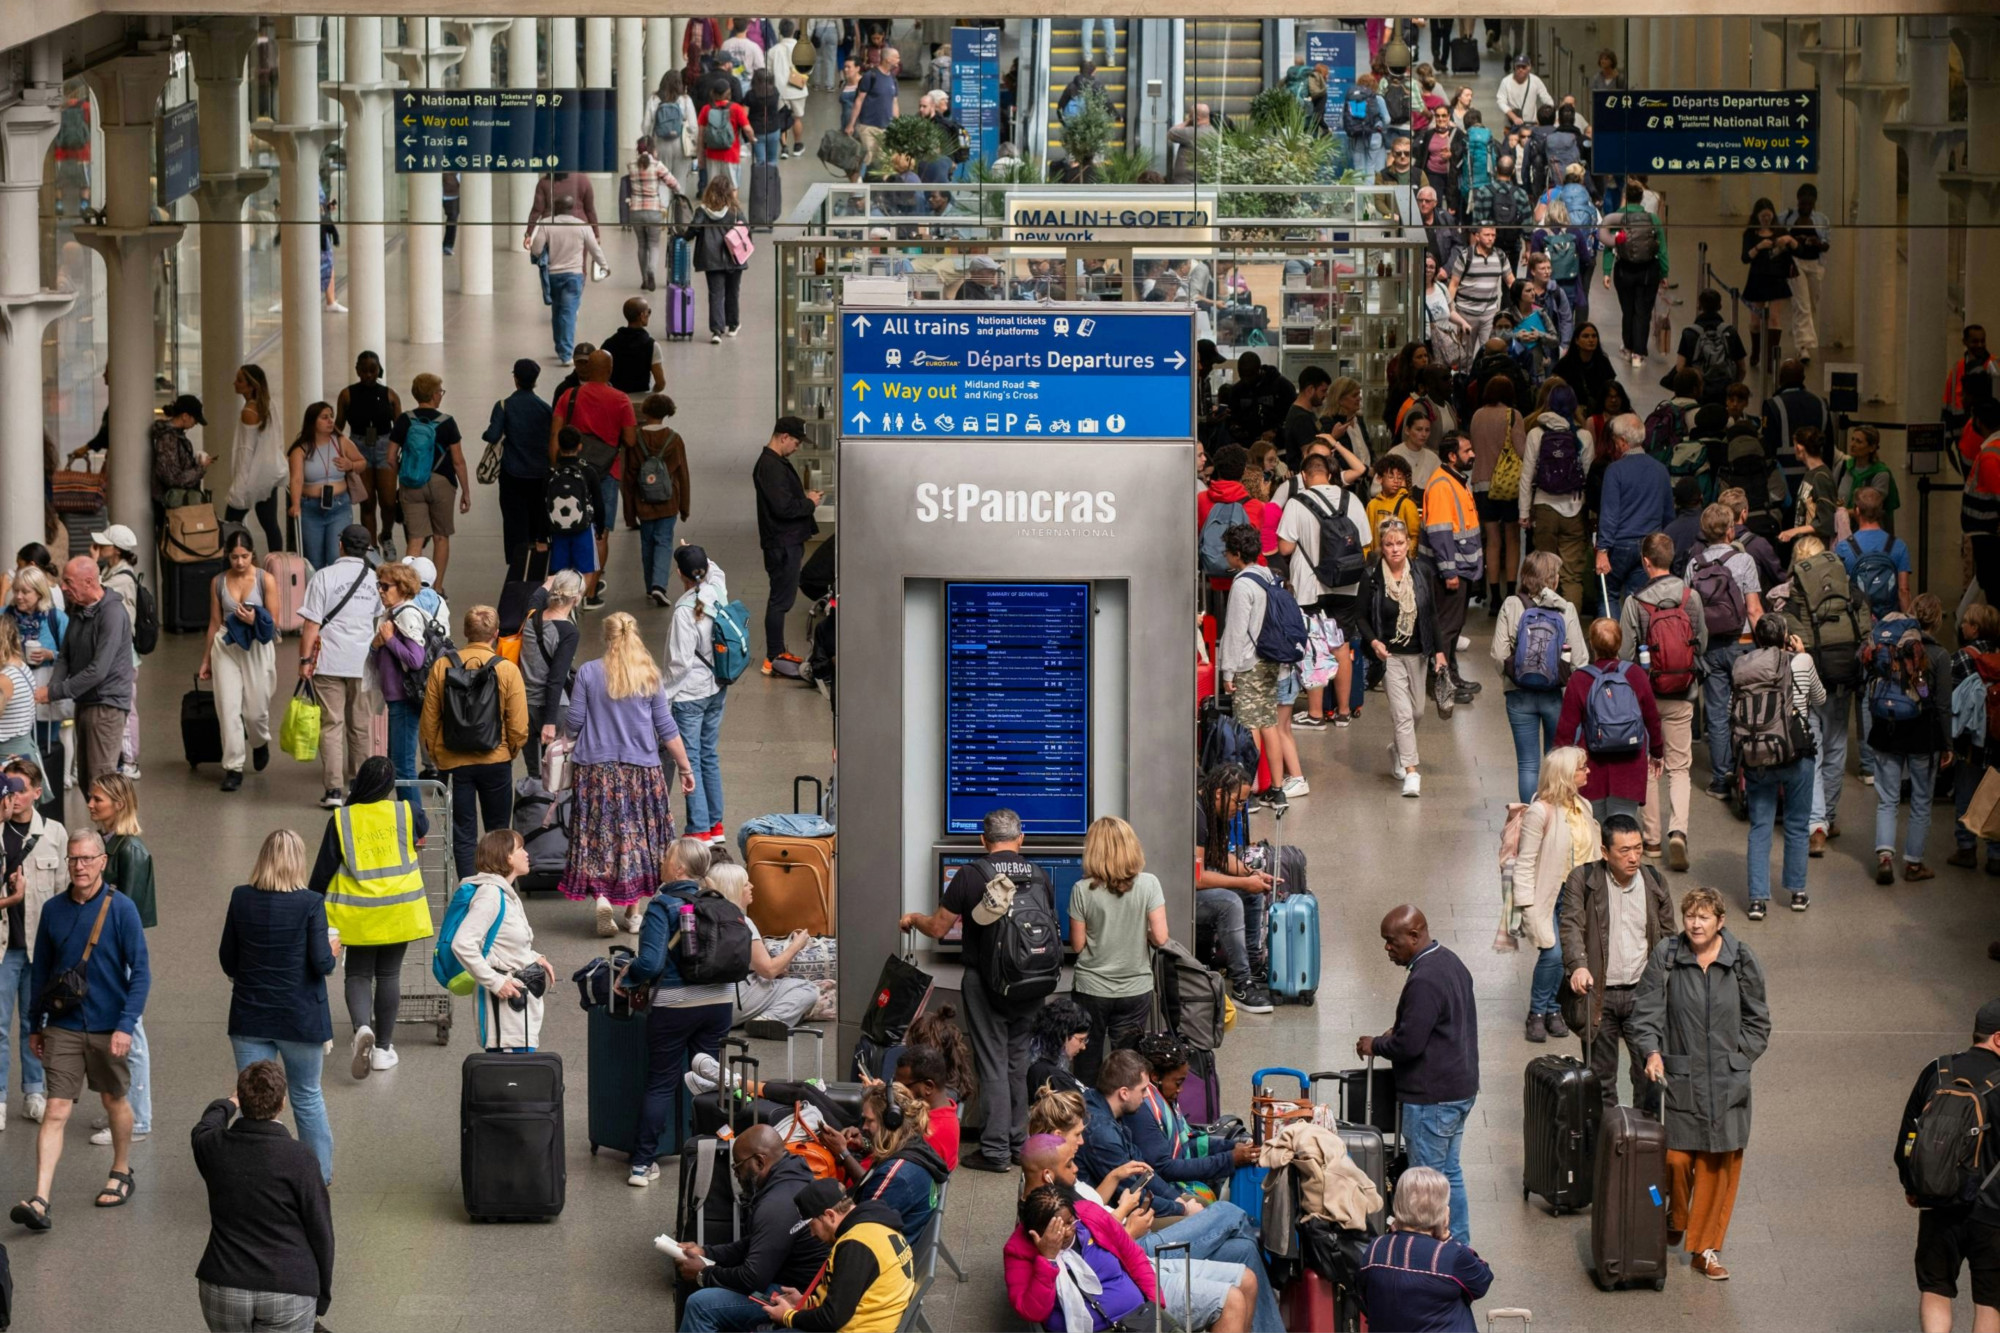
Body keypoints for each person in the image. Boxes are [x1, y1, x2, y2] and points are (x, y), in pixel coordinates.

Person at [900, 808, 1054, 1172]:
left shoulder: (972, 874)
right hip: (1034, 981)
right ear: (1021, 838)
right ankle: (1018, 1143)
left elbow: (938, 928)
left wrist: (912, 919)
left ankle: (996, 1150)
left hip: (987, 983)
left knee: (992, 1064)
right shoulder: (1039, 874)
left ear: (983, 841)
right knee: (1019, 1062)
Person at [1630, 885, 1769, 1280]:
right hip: (1681, 1079)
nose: (1695, 923)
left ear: (1720, 921)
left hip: (1728, 1083)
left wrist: (1739, 1060)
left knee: (1715, 1168)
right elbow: (1647, 1013)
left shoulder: (1741, 960)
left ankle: (1705, 1250)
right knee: (1675, 1160)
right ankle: (1676, 1215)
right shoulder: (1668, 956)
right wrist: (1652, 1052)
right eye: (1690, 915)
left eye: (1704, 916)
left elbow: (1759, 1019)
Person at [12, 829, 148, 1229]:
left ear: (103, 862)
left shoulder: (122, 910)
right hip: (64, 1026)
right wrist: (35, 1024)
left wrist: (126, 1026)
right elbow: (42, 973)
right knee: (56, 1109)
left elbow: (140, 972)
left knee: (114, 1101)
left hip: (109, 1027)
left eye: (87, 859)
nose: (80, 866)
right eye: (73, 859)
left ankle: (121, 1171)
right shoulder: (54, 910)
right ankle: (40, 1199)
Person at [559, 611, 695, 934]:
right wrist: (686, 767)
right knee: (637, 838)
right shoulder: (649, 675)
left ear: (607, 638)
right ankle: (634, 914)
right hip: (642, 770)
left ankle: (603, 897)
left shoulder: (589, 673)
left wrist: (565, 737)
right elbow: (666, 728)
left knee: (600, 834)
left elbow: (574, 721)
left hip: (595, 770)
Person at [1358, 904, 1479, 1248]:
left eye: (1391, 941)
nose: (1386, 948)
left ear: (1414, 935)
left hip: (1432, 1098)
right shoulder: (1450, 961)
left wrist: (1375, 1044)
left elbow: (1409, 1045)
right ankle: (1459, 1247)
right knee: (1449, 1175)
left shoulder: (1424, 978)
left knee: (1424, 1184)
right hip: (1460, 1088)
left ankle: (1431, 1255)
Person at [218, 830, 336, 1183]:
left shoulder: (241, 898)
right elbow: (321, 964)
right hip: (301, 1019)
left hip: (251, 1016)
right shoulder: (311, 903)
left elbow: (228, 959)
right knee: (307, 1096)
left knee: (255, 1103)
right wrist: (333, 951)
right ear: (298, 862)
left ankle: (260, 1177)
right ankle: (317, 1176)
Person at [308, 756, 431, 1081]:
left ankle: (363, 1028)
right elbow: (424, 828)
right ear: (390, 786)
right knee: (389, 974)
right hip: (401, 909)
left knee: (358, 974)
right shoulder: (407, 812)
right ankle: (383, 1050)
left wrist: (310, 907)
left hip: (358, 913)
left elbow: (323, 871)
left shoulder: (342, 819)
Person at [192, 1060, 336, 1333]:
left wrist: (229, 1102)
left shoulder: (212, 1146)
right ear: (282, 1103)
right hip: (288, 1288)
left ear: (242, 1101)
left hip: (223, 1285)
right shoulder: (300, 1157)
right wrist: (322, 1294)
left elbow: (206, 1123)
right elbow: (321, 1231)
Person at [1557, 810, 1676, 1111]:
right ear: (1605, 852)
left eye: (1638, 849)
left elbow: (1669, 937)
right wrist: (1578, 965)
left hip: (1642, 994)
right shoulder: (1582, 880)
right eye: (1625, 851)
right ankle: (1608, 1147)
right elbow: (1571, 925)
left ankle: (1644, 1142)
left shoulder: (1655, 882)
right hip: (1600, 994)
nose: (1634, 857)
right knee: (1601, 1080)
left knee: (1648, 1073)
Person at [626, 837, 730, 1178]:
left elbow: (651, 963)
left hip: (675, 1004)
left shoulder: (662, 905)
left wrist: (630, 973)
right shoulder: (718, 902)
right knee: (710, 1081)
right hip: (718, 1002)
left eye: (667, 856)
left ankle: (642, 1164)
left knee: (661, 1081)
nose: (662, 860)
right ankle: (715, 1159)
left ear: (679, 868)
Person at [1895, 999, 2000, 1333]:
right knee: (1990, 1303)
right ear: (1998, 1038)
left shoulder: (1937, 1069)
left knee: (1936, 1290)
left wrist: (1913, 1186)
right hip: (1993, 1214)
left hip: (1938, 1202)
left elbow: (1908, 1136)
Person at [674, 1124, 833, 1332]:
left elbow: (752, 1278)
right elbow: (758, 1242)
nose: (736, 1174)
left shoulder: (774, 1205)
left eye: (737, 1165)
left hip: (795, 1294)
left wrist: (704, 1273)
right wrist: (706, 1252)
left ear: (759, 1162)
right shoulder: (796, 1172)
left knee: (701, 1305)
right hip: (799, 1283)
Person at [1617, 532, 1708, 866]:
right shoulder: (1690, 598)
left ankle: (1652, 840)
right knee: (1680, 767)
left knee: (1650, 767)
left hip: (1646, 698)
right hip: (1684, 693)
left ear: (1645, 561)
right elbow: (1701, 644)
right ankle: (1679, 832)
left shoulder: (1634, 602)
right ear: (1672, 560)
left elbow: (1625, 655)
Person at [419, 606, 527, 879]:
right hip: (497, 761)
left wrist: (437, 755)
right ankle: (500, 889)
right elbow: (518, 725)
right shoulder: (507, 670)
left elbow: (429, 720)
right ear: (495, 633)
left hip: (455, 763)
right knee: (499, 831)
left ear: (466, 632)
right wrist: (509, 750)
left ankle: (469, 889)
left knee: (463, 833)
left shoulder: (442, 666)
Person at [1066, 816, 1167, 1086]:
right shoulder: (1149, 884)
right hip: (1135, 989)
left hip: (1091, 991)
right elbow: (1160, 937)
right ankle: (1123, 1123)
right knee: (1126, 1069)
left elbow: (1077, 945)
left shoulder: (1081, 890)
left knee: (1087, 1066)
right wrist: (1138, 931)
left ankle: (1087, 1125)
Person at [1736, 614, 1825, 918]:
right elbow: (1820, 698)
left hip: (1757, 752)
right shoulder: (1800, 662)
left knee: (1760, 826)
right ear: (1785, 636)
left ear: (1759, 639)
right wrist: (1802, 655)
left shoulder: (1744, 666)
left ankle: (1758, 900)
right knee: (1798, 824)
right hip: (1796, 751)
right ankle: (1797, 893)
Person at [84, 772, 155, 1143]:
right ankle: (121, 1109)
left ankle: (137, 1120)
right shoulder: (110, 844)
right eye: (91, 798)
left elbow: (129, 915)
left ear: (119, 804)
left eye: (98, 799)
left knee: (131, 1035)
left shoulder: (130, 851)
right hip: (107, 952)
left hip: (119, 955)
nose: (91, 804)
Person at [1277, 452, 1372, 729]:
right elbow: (1365, 542)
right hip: (1346, 583)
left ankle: (1316, 714)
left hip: (1310, 586)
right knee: (1341, 645)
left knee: (1314, 646)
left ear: (1304, 476)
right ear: (1329, 474)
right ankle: (1343, 712)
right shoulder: (1350, 499)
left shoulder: (1296, 503)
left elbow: (1285, 548)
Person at [753, 1178, 916, 1331]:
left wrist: (788, 1317)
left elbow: (832, 1318)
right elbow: (847, 1299)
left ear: (830, 1215)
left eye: (812, 1225)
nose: (812, 1234)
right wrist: (804, 1302)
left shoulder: (856, 1244)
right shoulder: (876, 1227)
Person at [1361, 519, 1451, 795]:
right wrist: (1374, 641)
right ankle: (1412, 772)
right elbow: (1360, 617)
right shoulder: (1372, 576)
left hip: (1418, 654)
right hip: (1389, 656)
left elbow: (1432, 614)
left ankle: (1397, 748)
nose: (1395, 549)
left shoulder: (1422, 572)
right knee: (1402, 715)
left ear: (1409, 544)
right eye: (1389, 544)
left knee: (1417, 712)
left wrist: (1439, 651)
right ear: (1382, 547)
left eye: (1400, 543)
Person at [1493, 550, 1588, 803]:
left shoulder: (1511, 605)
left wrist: (1514, 674)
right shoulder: (1565, 609)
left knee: (1527, 764)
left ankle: (1529, 820)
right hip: (1554, 697)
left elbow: (1498, 654)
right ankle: (1554, 817)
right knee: (1555, 762)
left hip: (1518, 695)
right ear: (1552, 579)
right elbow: (1580, 660)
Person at [1871, 593, 1952, 886]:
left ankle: (1884, 857)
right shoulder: (1940, 656)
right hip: (1922, 734)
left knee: (1887, 799)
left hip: (1887, 729)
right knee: (1920, 800)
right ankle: (1914, 864)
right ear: (1938, 620)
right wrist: (1947, 744)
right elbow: (1941, 705)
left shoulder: (1890, 645)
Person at [449, 829, 554, 1053]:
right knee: (511, 1077)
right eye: (520, 849)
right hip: (505, 1016)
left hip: (517, 1011)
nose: (527, 854)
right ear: (507, 857)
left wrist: (534, 957)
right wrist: (495, 982)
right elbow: (462, 943)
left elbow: (502, 940)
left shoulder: (504, 893)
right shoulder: (490, 895)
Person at [1217, 522, 1296, 808]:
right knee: (1268, 723)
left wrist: (1228, 671)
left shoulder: (1242, 584)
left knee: (1248, 726)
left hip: (1248, 663)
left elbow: (1236, 632)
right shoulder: (1268, 576)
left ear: (1238, 553)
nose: (1225, 556)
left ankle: (1246, 792)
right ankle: (1277, 789)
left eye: (1228, 551)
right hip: (1271, 660)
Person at [551, 350, 639, 606]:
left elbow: (555, 433)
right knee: (601, 533)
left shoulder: (570, 396)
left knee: (570, 523)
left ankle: (567, 589)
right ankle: (590, 594)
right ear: (610, 371)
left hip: (572, 471)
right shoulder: (621, 399)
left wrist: (554, 467)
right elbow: (631, 439)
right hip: (607, 471)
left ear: (587, 370)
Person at [37, 556, 133, 789]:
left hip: (106, 705)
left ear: (89, 581)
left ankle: (113, 827)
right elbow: (65, 655)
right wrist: (52, 688)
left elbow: (98, 671)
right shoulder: (79, 610)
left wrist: (54, 693)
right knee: (87, 777)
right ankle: (105, 826)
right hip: (85, 701)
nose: (63, 588)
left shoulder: (112, 614)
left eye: (69, 582)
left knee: (101, 780)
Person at [1357, 1166, 1493, 1331]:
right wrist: (1447, 1237)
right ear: (1443, 1212)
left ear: (1398, 1203)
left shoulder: (1375, 1248)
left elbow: (1365, 1296)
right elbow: (1482, 1281)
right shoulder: (1450, 1255)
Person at [1557, 615, 1664, 824]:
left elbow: (1566, 729)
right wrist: (1657, 753)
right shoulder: (1635, 675)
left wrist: (1558, 766)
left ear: (1591, 645)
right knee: (1623, 828)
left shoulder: (1580, 679)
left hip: (1591, 768)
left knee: (1593, 828)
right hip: (1630, 767)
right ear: (1620, 643)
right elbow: (1652, 719)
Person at [0, 761, 61, 1126]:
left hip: (40, 947)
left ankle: (34, 1090)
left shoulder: (54, 833)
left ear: (38, 792)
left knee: (34, 1022)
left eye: (21, 789)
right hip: (5, 948)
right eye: (8, 788)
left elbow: (64, 891)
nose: (15, 796)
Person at [196, 528, 280, 793]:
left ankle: (259, 741)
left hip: (257, 645)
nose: (240, 562)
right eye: (234, 557)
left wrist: (255, 619)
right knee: (228, 708)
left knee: (255, 711)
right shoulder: (218, 582)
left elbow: (274, 622)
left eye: (244, 556)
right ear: (227, 556)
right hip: (226, 644)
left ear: (252, 554)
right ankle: (232, 767)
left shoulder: (266, 580)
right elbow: (214, 622)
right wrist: (206, 659)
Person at [1129, 1031, 1258, 1201]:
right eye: (1178, 1083)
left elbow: (1188, 1142)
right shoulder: (1142, 1110)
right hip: (1162, 1196)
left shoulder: (1163, 1098)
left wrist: (1233, 1146)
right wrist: (1229, 1159)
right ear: (1155, 1077)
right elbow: (1164, 1168)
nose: (1180, 1089)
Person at [1195, 764, 1275, 1013]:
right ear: (1219, 794)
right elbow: (1196, 879)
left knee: (1251, 895)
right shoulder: (1197, 816)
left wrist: (1253, 876)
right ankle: (1242, 984)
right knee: (1230, 902)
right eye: (1238, 802)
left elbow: (1219, 858)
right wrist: (1243, 882)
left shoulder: (1212, 809)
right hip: (1175, 897)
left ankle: (1250, 965)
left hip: (1192, 888)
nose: (1240, 809)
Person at [703, 861, 815, 1029]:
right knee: (808, 989)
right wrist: (796, 946)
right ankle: (769, 1019)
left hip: (700, 1000)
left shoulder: (701, 915)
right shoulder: (742, 922)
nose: (752, 886)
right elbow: (769, 970)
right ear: (735, 889)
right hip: (730, 1000)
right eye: (746, 883)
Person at [387, 373, 470, 592]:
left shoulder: (405, 420)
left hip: (411, 483)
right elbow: (458, 461)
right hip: (442, 483)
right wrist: (465, 492)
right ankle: (437, 589)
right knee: (441, 537)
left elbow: (390, 457)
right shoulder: (448, 422)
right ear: (434, 395)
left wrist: (403, 476)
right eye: (440, 392)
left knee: (415, 539)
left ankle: (409, 589)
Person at [751, 416, 820, 673]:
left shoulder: (774, 463)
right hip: (782, 542)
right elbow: (783, 508)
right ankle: (774, 655)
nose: (797, 447)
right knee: (780, 600)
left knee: (780, 597)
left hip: (783, 540)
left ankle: (776, 653)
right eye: (796, 441)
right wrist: (809, 502)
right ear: (783, 437)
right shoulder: (770, 466)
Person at [1517, 382, 1595, 610]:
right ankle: (1570, 632)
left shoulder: (1536, 434)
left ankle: (1544, 625)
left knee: (1543, 573)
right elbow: (1587, 478)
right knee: (1572, 576)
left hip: (1544, 508)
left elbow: (1527, 476)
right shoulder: (1583, 436)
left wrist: (1523, 512)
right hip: (1574, 509)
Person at [368, 562, 433, 819]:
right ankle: (410, 818)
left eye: (386, 586)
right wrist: (378, 643)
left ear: (402, 588)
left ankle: (416, 823)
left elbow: (415, 659)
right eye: (379, 586)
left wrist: (390, 640)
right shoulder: (393, 614)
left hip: (405, 700)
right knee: (398, 762)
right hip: (396, 698)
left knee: (404, 766)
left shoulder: (405, 614)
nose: (381, 591)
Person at [1423, 431, 1483, 702]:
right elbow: (1440, 533)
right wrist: (1449, 573)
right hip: (1450, 571)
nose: (1472, 454)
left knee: (1454, 626)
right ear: (1451, 456)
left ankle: (1453, 677)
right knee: (1446, 629)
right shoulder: (1442, 486)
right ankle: (1441, 684)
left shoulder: (1457, 481)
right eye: (1467, 450)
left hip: (1461, 567)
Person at [482, 359, 553, 584]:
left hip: (512, 475)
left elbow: (493, 436)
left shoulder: (504, 405)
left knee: (514, 524)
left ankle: (516, 571)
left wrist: (488, 433)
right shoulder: (545, 409)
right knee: (536, 524)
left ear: (515, 379)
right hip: (539, 475)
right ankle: (535, 573)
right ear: (535, 381)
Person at [335, 351, 403, 554]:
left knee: (389, 501)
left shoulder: (389, 395)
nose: (368, 375)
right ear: (357, 370)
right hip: (358, 446)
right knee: (367, 502)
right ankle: (371, 548)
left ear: (378, 370)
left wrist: (399, 452)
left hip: (384, 445)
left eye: (372, 370)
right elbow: (339, 425)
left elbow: (400, 428)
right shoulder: (347, 394)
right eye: (363, 371)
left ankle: (387, 535)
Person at [285, 401, 366, 572]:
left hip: (338, 506)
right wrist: (296, 504)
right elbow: (296, 479)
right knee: (314, 559)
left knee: (335, 555)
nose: (330, 421)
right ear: (312, 421)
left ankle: (337, 595)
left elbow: (362, 463)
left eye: (331, 416)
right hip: (311, 507)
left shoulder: (341, 442)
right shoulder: (300, 450)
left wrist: (350, 464)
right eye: (324, 417)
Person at [625, 394, 689, 605]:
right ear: (667, 414)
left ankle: (649, 585)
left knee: (647, 543)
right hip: (668, 500)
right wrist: (684, 506)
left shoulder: (636, 439)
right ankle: (659, 585)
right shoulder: (674, 439)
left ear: (645, 412)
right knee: (663, 542)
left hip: (643, 501)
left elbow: (629, 476)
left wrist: (629, 513)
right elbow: (682, 473)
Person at [518, 570, 581, 782]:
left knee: (534, 776)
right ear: (575, 598)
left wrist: (547, 582)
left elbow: (535, 598)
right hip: (555, 710)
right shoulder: (568, 632)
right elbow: (556, 679)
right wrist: (550, 721)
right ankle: (557, 815)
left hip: (525, 707)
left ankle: (534, 813)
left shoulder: (531, 618)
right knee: (559, 777)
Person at [529, 192, 607, 363]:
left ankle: (560, 347)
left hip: (553, 275)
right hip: (574, 275)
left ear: (556, 208)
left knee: (557, 311)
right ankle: (565, 353)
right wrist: (604, 266)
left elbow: (536, 250)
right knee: (568, 313)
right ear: (572, 209)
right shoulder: (582, 225)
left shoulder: (546, 224)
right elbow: (594, 248)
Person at [1602, 180, 1667, 369]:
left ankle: (1628, 348)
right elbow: (1662, 248)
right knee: (1643, 312)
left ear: (1626, 197)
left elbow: (1609, 244)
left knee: (1628, 310)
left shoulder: (1617, 217)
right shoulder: (1652, 219)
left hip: (1624, 270)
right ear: (1641, 198)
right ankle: (1639, 354)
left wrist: (1606, 271)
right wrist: (1664, 272)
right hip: (1649, 271)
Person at [223, 364, 286, 554]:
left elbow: (245, 451)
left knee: (230, 524)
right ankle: (278, 563)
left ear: (251, 386)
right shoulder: (268, 406)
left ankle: (233, 562)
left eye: (240, 380)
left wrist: (239, 482)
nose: (235, 383)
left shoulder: (249, 412)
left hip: (251, 476)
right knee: (270, 524)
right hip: (268, 475)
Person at [1838, 487, 1912, 618]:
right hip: (1890, 620)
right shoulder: (1899, 546)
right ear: (1880, 512)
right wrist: (1908, 623)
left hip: (1859, 621)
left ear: (1857, 510)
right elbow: (1903, 590)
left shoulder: (1844, 547)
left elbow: (1841, 592)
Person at [1765, 360, 1832, 498]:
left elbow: (1768, 445)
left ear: (1780, 379)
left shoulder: (1773, 405)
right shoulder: (1821, 403)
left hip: (1785, 480)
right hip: (1816, 477)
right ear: (1803, 379)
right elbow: (1829, 445)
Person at [623, 141, 679, 291]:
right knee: (654, 244)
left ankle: (644, 280)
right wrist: (677, 191)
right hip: (654, 210)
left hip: (635, 211)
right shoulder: (657, 165)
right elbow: (673, 182)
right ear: (653, 149)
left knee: (642, 244)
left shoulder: (631, 165)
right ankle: (651, 270)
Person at [1446, 225, 1511, 352]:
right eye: (1487, 235)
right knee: (1466, 356)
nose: (1490, 239)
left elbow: (1511, 282)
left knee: (1490, 351)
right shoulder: (1466, 256)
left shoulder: (1500, 256)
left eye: (1493, 235)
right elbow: (1453, 284)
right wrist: (1449, 308)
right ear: (1477, 236)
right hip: (1466, 313)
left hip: (1489, 314)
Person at [151, 392, 211, 520]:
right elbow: (173, 478)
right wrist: (200, 468)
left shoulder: (175, 436)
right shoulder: (168, 438)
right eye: (195, 419)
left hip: (177, 504)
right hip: (172, 507)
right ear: (185, 416)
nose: (195, 424)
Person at [1837, 425, 1901, 537]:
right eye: (1852, 440)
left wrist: (1843, 513)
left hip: (1870, 532)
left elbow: (1871, 508)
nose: (1852, 445)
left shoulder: (1880, 474)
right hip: (1842, 528)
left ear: (1871, 448)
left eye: (1859, 442)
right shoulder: (1844, 466)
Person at [846, 46, 900, 170]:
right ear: (887, 59)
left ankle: (880, 187)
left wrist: (897, 125)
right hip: (868, 127)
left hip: (886, 128)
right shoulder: (870, 76)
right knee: (867, 159)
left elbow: (894, 102)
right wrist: (851, 124)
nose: (899, 60)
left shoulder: (893, 79)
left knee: (884, 161)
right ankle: (862, 186)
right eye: (896, 57)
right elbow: (859, 100)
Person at [1027, 997, 1091, 1101]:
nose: (1083, 1046)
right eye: (1081, 1039)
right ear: (1062, 1036)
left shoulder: (1049, 1069)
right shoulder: (1052, 1076)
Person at [1496, 53, 1552, 128]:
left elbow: (1546, 99)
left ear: (1529, 68)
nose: (1520, 69)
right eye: (1518, 67)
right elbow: (1501, 101)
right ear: (1514, 67)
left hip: (1531, 124)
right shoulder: (1506, 81)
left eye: (1523, 67)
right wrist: (1513, 117)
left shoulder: (1535, 81)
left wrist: (1543, 118)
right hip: (1511, 124)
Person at [1168, 103, 1216, 184]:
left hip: (1186, 182)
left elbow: (1171, 133)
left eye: (1190, 116)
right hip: (1205, 181)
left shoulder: (1192, 133)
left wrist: (1187, 121)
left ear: (1195, 118)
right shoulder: (1214, 133)